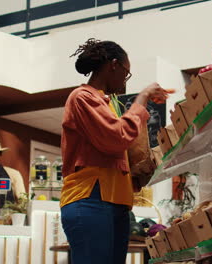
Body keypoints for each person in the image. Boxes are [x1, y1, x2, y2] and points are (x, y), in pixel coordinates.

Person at [60, 38, 173, 264]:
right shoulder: (82, 97)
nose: (125, 80)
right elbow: (115, 138)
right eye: (126, 72)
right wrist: (142, 98)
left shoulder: (106, 102)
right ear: (113, 65)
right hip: (89, 199)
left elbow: (115, 150)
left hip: (115, 202)